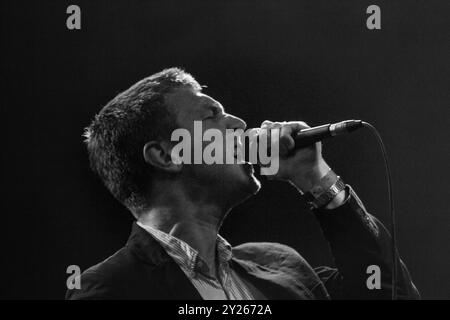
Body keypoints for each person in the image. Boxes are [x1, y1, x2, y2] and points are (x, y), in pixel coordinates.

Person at [66, 68, 419, 300]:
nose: (238, 123)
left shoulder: (284, 267)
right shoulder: (107, 289)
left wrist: (313, 177)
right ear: (166, 155)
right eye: (210, 115)